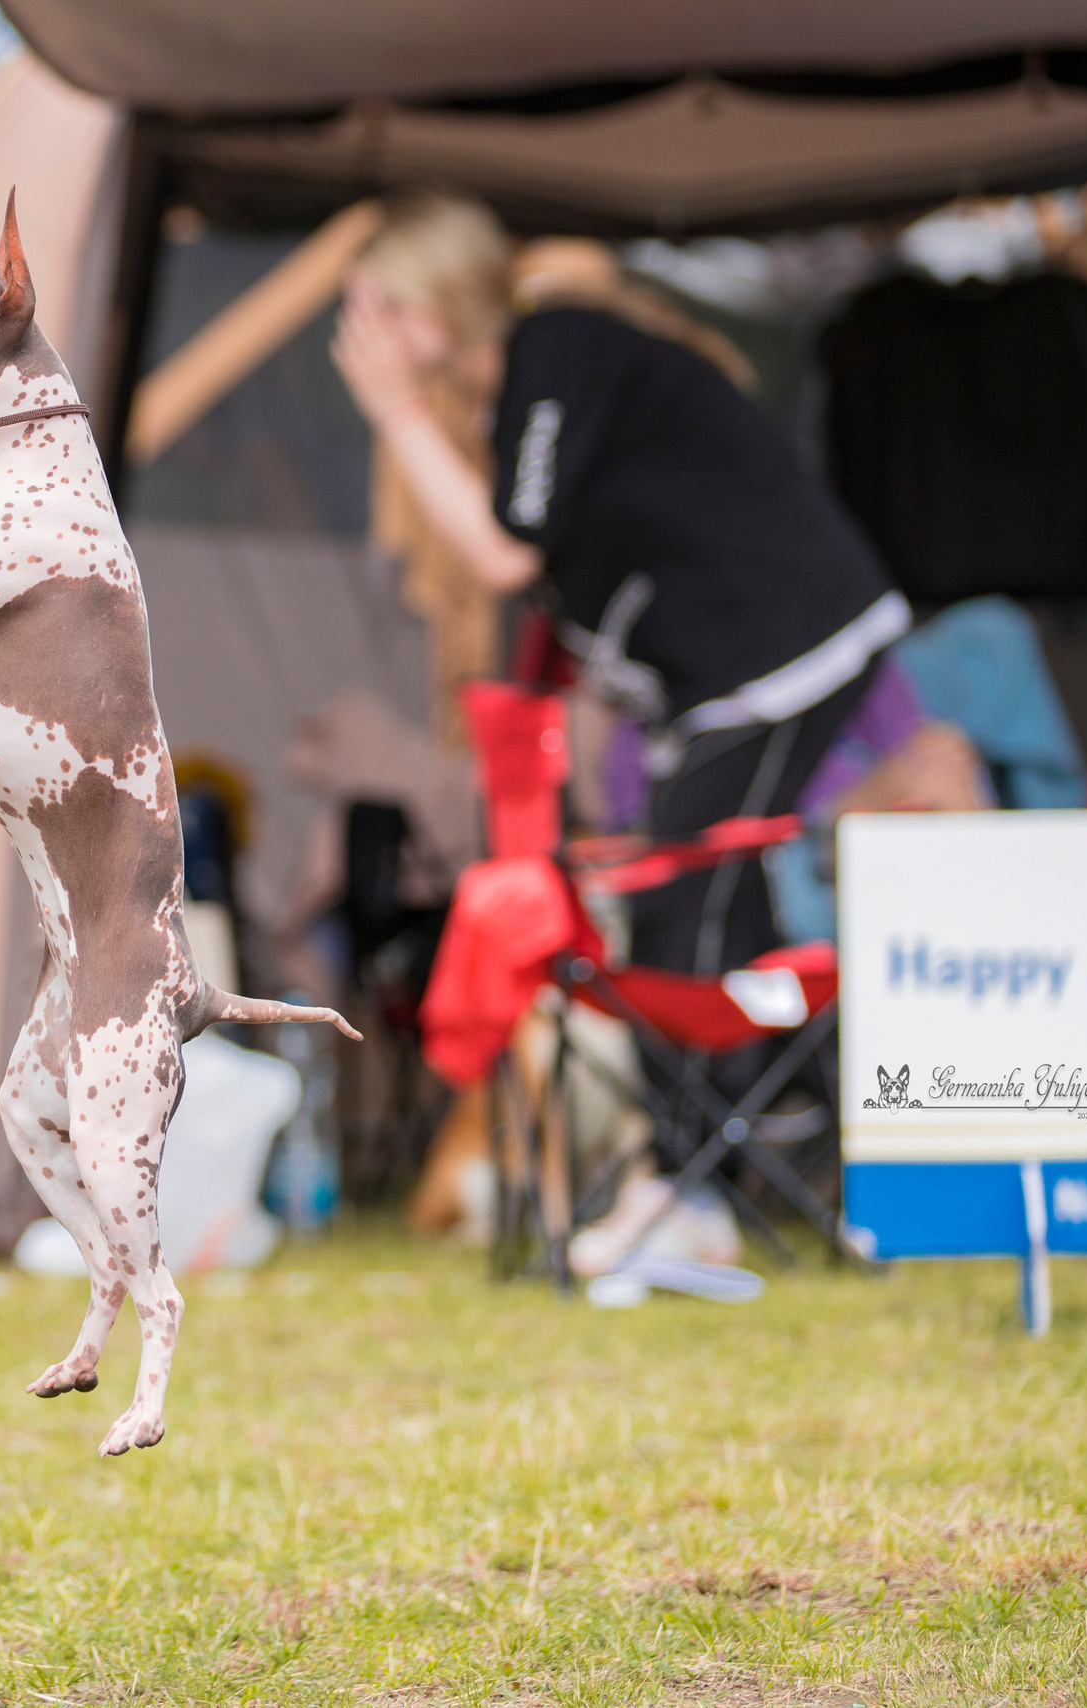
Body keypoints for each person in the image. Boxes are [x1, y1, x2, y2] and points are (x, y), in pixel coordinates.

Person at [330, 191, 909, 1268]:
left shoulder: (553, 342)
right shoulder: (519, 398)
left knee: (687, 891)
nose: (356, 337)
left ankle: (682, 1193)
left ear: (440, 301)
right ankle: (776, 1153)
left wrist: (394, 413)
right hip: (729, 669)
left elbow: (506, 553)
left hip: (783, 644)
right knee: (719, 909)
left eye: (377, 308)